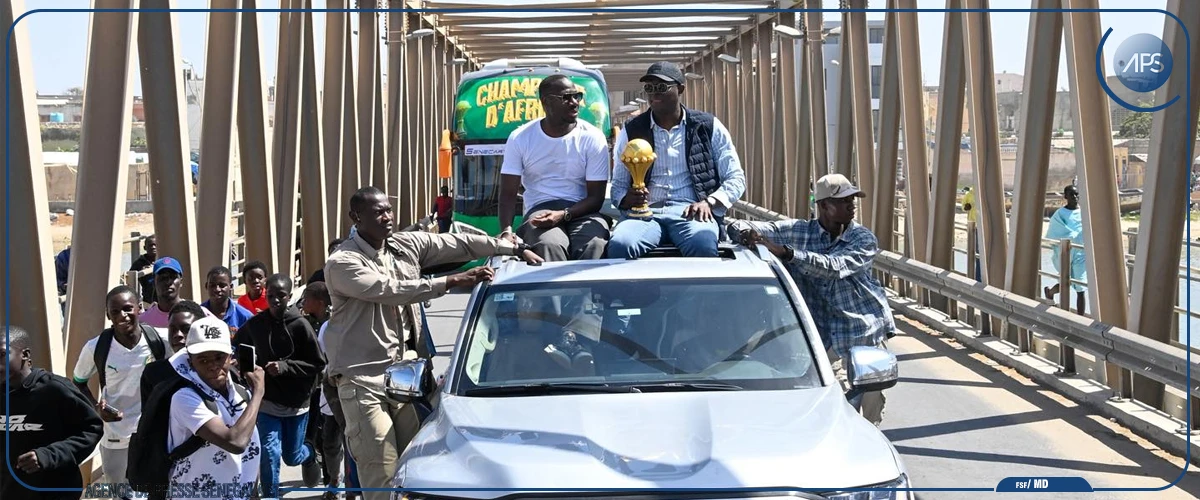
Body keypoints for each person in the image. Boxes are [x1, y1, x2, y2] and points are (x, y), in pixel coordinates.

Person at [323, 186, 543, 500]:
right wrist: (452, 281)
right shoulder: (342, 263)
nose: (387, 217)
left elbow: (458, 243)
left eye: (388, 209)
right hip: (363, 381)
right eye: (378, 212)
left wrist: (512, 249)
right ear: (356, 218)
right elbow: (391, 289)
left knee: (414, 471)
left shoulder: (403, 245)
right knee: (381, 473)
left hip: (402, 378)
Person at [730, 173, 896, 426]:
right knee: (833, 406)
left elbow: (835, 267)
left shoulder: (862, 238)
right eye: (843, 201)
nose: (851, 205)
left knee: (871, 411)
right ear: (823, 205)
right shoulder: (798, 231)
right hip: (822, 337)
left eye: (852, 200)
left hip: (862, 331)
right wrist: (744, 233)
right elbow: (748, 226)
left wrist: (786, 253)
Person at [607, 61, 745, 259]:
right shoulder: (632, 130)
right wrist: (626, 199)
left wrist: (710, 202)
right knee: (621, 245)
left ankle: (694, 292)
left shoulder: (707, 126)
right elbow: (618, 185)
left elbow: (736, 177)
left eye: (661, 87)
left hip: (691, 212)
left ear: (680, 89)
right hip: (645, 216)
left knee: (703, 244)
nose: (654, 94)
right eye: (649, 88)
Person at [498, 74, 612, 262]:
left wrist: (563, 214)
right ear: (546, 102)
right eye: (566, 98)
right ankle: (558, 292)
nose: (574, 103)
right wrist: (506, 231)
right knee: (549, 245)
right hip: (540, 212)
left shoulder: (593, 137)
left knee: (594, 244)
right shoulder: (520, 137)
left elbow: (596, 198)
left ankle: (590, 292)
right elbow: (508, 194)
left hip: (583, 210)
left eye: (577, 96)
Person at [72, 285, 170, 499]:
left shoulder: (159, 340)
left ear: (139, 309)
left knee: (154, 492)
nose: (122, 316)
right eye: (115, 312)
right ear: (108, 315)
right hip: (115, 434)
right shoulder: (96, 347)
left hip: (152, 432)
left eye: (127, 308)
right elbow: (78, 381)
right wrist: (96, 409)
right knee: (120, 494)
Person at [236, 274, 325, 496]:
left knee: (291, 456)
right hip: (268, 401)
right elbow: (239, 345)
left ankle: (310, 454)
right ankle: (271, 494)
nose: (276, 300)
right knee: (269, 452)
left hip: (297, 402)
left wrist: (286, 367)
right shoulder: (256, 324)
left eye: (281, 296)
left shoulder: (301, 326)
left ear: (290, 295)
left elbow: (318, 363)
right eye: (272, 296)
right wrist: (245, 367)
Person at [165, 317, 263, 499]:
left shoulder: (242, 394)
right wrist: (258, 392)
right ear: (190, 361)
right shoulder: (185, 398)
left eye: (219, 357)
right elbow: (235, 442)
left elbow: (250, 448)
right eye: (203, 359)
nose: (212, 366)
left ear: (230, 356)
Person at [1, 325, 104, 500]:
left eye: (2, 355)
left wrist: (47, 455)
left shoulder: (55, 389)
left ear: (25, 355)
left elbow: (91, 429)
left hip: (53, 492)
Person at [140, 300, 206, 406]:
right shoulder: (153, 373)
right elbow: (148, 418)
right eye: (173, 329)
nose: (178, 335)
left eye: (186, 329)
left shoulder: (214, 370)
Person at [1044, 184, 1087, 315]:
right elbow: (1055, 232)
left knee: (1080, 286)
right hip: (1066, 253)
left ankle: (1081, 320)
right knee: (1065, 283)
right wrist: (1072, 235)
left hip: (1081, 254)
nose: (1074, 197)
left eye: (1076, 194)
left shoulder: (1084, 212)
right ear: (1065, 196)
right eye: (1071, 194)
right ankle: (1050, 292)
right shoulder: (1060, 214)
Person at [140, 257, 213, 329]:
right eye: (163, 278)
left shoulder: (200, 314)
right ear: (154, 283)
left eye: (173, 277)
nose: (168, 282)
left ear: (181, 282)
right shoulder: (143, 321)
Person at [201, 266, 254, 335]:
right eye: (212, 285)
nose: (217, 289)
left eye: (222, 285)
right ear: (206, 286)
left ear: (231, 287)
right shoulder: (197, 314)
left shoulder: (245, 317)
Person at [130, 236, 158, 304]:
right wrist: (142, 273)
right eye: (151, 245)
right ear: (145, 248)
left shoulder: (165, 260)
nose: (153, 247)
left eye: (155, 245)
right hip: (148, 301)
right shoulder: (139, 263)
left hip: (164, 298)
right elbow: (130, 279)